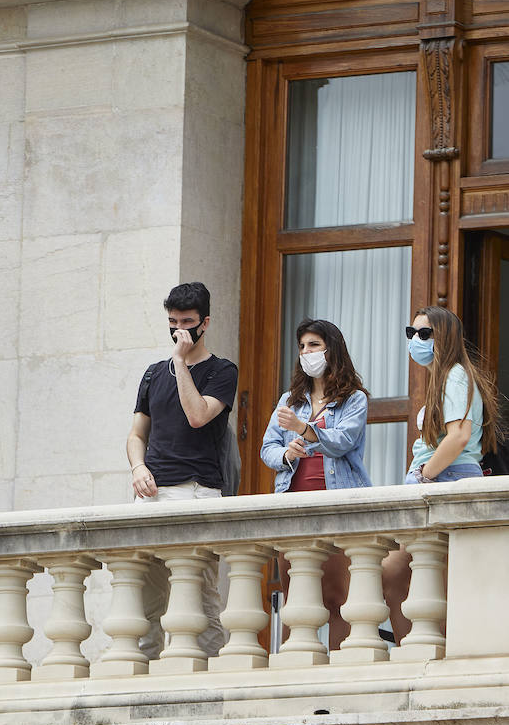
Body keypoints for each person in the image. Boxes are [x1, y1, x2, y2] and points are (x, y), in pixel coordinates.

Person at [125, 281, 238, 658]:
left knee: (200, 597)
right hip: (153, 493)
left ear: (205, 323)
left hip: (197, 490)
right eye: (172, 322)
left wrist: (179, 362)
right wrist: (138, 467)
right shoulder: (152, 374)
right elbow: (137, 434)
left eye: (186, 322)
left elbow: (197, 415)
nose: (178, 331)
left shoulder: (222, 371)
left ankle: (206, 674)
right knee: (145, 597)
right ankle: (142, 677)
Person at [384, 307, 501, 638]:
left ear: (445, 337)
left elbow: (460, 436)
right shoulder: (446, 377)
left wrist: (425, 475)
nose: (416, 341)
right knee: (406, 576)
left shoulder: (456, 375)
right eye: (412, 333)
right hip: (442, 477)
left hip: (443, 478)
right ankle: (415, 650)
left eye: (425, 334)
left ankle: (424, 652)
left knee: (404, 575)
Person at [260, 318, 371, 648]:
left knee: (338, 595)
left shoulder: (354, 399)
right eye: (303, 346)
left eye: (314, 345)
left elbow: (343, 441)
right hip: (292, 504)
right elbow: (267, 448)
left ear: (331, 349)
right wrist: (286, 454)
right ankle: (295, 665)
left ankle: (335, 669)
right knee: (295, 594)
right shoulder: (288, 400)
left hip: (337, 504)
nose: (306, 352)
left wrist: (305, 428)